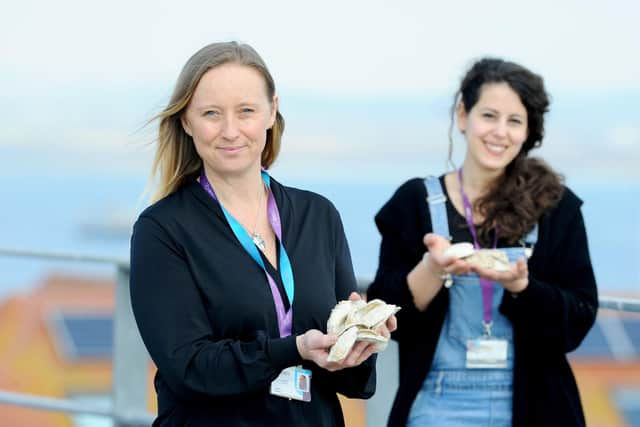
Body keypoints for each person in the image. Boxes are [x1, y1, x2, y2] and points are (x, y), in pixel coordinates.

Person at [129, 41, 394, 427]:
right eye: (211, 114)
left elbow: (352, 381)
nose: (230, 130)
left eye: (246, 111)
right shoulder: (162, 230)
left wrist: (360, 341)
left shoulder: (318, 215)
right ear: (186, 121)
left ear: (272, 111)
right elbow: (188, 368)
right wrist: (294, 348)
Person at [367, 58, 598, 427]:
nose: (500, 132)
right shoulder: (414, 204)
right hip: (436, 404)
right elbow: (385, 319)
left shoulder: (556, 207)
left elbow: (579, 319)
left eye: (515, 121)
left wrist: (522, 287)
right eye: (489, 115)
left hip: (535, 405)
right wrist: (431, 268)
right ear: (463, 116)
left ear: (528, 131)